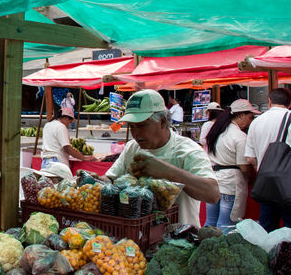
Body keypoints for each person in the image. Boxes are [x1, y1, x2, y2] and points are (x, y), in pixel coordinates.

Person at [100, 89, 219, 228]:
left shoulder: (187, 151)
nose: (135, 133)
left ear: (162, 122)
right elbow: (112, 178)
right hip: (137, 240)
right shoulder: (132, 148)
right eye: (131, 127)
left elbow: (213, 194)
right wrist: (95, 179)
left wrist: (165, 171)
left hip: (179, 242)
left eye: (141, 125)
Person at [204, 100, 258, 231]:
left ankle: (202, 248)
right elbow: (244, 167)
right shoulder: (239, 136)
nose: (250, 121)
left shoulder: (216, 132)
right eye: (250, 117)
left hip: (213, 181)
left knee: (210, 223)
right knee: (225, 226)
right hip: (230, 184)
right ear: (240, 116)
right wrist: (253, 177)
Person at [245, 87, 291, 231]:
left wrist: (265, 168)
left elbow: (250, 158)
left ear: (269, 101)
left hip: (265, 184)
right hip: (288, 185)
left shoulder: (256, 122)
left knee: (267, 229)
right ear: (289, 104)